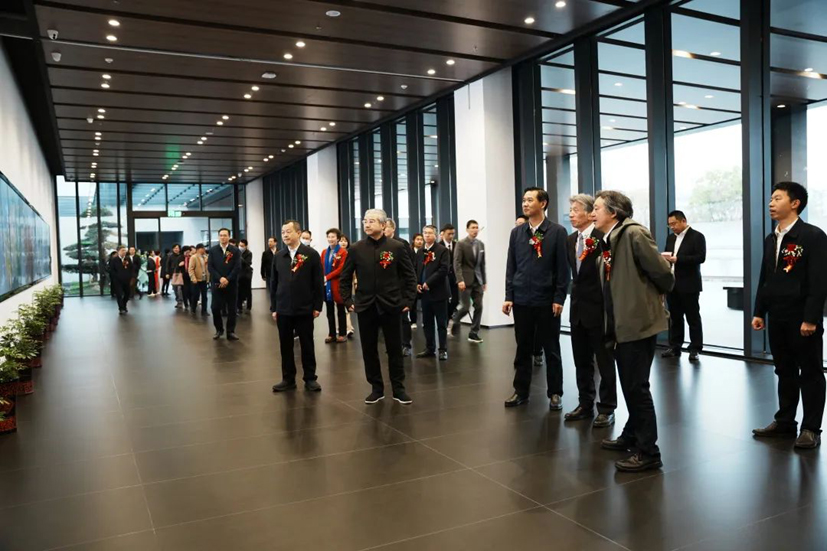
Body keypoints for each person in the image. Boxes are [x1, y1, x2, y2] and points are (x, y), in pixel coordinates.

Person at [592, 190, 674, 472]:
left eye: (597, 208)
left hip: (637, 323)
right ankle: (631, 434)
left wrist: (651, 300)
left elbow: (662, 272)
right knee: (630, 384)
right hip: (621, 324)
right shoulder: (609, 239)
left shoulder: (634, 234)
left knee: (637, 387)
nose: (592, 213)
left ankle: (649, 452)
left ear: (613, 212)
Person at [752, 182, 827, 449]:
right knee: (784, 370)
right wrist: (759, 311)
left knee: (810, 372)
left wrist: (811, 318)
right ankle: (785, 422)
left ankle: (810, 428)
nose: (771, 203)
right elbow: (766, 277)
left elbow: (819, 281)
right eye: (771, 199)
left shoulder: (812, 236)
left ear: (795, 204)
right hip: (777, 316)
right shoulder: (771, 238)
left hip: (802, 318)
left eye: (777, 198)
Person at [340, 209, 417, 405]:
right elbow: (345, 277)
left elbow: (410, 276)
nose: (367, 224)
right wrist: (348, 300)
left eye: (372, 221)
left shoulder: (396, 247)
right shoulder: (356, 249)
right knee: (368, 349)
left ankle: (398, 388)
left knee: (394, 348)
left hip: (391, 305)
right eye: (365, 221)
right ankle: (376, 388)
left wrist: (408, 301)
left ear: (383, 225)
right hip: (365, 305)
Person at [503, 187, 570, 410]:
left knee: (551, 348)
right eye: (524, 200)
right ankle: (521, 391)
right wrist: (509, 296)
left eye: (530, 200)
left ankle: (555, 392)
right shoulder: (517, 233)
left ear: (543, 203)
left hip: (546, 300)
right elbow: (511, 266)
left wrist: (559, 297)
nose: (525, 204)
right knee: (522, 348)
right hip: (522, 299)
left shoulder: (557, 232)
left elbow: (563, 269)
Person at [564, 195, 617, 428]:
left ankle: (607, 407)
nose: (571, 214)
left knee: (604, 361)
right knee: (581, 361)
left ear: (589, 213)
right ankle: (585, 403)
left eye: (576, 210)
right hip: (577, 309)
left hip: (599, 309)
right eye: (570, 210)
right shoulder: (570, 240)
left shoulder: (602, 237)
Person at [270, 220, 324, 392]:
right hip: (283, 307)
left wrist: (317, 305)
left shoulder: (311, 254)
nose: (285, 235)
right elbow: (274, 283)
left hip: (305, 307)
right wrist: (274, 307)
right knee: (285, 345)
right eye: (283, 232)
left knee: (307, 344)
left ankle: (310, 378)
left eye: (288, 231)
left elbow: (317, 281)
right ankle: (288, 379)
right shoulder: (279, 256)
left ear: (298, 233)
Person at [662, 210, 706, 362]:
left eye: (674, 224)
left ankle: (695, 348)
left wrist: (678, 259)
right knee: (675, 317)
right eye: (670, 225)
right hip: (672, 283)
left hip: (689, 283)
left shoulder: (697, 236)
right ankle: (675, 346)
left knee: (693, 317)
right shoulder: (670, 238)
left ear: (683, 221)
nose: (672, 227)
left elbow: (700, 257)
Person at [415, 225, 451, 360]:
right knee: (427, 322)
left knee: (441, 323)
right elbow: (416, 269)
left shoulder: (442, 250)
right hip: (425, 294)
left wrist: (428, 282)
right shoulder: (420, 251)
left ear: (435, 235)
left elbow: (444, 270)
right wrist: (417, 283)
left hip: (439, 292)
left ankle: (443, 349)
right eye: (425, 233)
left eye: (430, 233)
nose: (427, 235)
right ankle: (430, 348)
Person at [384, 219, 416, 356]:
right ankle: (393, 344)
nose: (384, 230)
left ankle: (406, 345)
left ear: (393, 229)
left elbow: (409, 266)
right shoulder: (381, 244)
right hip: (386, 287)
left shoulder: (401, 244)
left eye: (386, 227)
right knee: (388, 319)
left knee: (403, 317)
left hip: (401, 286)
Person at [452, 220, 486, 343]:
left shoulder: (481, 244)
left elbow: (482, 264)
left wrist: (484, 281)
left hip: (478, 280)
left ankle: (473, 333)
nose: (475, 230)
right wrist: (460, 279)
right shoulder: (461, 244)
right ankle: (455, 319)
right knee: (466, 307)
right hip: (465, 280)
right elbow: (457, 263)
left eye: (477, 227)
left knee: (479, 306)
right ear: (467, 229)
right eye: (473, 227)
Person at [208, 229, 241, 340]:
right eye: (221, 235)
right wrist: (220, 278)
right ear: (218, 237)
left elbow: (237, 267)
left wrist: (227, 279)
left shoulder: (235, 251)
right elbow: (210, 267)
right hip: (217, 284)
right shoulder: (213, 250)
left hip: (231, 284)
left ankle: (230, 331)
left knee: (232, 309)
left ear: (229, 236)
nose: (223, 237)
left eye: (225, 235)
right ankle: (219, 329)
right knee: (215, 308)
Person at [322, 228, 348, 343]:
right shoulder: (324, 252)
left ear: (338, 238)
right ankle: (331, 334)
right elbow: (321, 266)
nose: (330, 239)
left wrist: (327, 277)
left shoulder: (343, 252)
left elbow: (341, 269)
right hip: (326, 285)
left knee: (341, 310)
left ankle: (342, 333)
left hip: (338, 284)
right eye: (329, 237)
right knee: (329, 311)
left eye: (333, 237)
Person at [439, 224, 459, 328]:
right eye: (449, 234)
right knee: (445, 301)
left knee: (456, 300)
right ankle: (445, 322)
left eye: (453, 234)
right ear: (443, 234)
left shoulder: (457, 245)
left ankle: (450, 316)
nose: (451, 236)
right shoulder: (439, 246)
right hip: (443, 278)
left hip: (455, 278)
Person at [339, 234, 355, 338]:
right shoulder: (334, 253)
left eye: (345, 241)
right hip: (337, 282)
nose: (343, 243)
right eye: (341, 241)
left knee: (347, 305)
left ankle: (349, 328)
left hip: (349, 282)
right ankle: (341, 328)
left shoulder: (351, 253)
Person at [109, 246, 133, 314]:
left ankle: (124, 304)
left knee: (127, 293)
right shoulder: (114, 260)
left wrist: (130, 276)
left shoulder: (127, 259)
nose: (124, 252)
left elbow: (131, 268)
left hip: (126, 279)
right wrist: (116, 277)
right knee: (119, 294)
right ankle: (121, 308)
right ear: (118, 251)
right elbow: (111, 270)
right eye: (122, 250)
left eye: (125, 250)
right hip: (118, 281)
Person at [188, 243, 210, 316]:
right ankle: (193, 309)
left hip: (204, 279)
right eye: (203, 248)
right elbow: (190, 269)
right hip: (196, 280)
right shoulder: (193, 257)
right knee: (196, 295)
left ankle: (204, 311)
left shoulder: (205, 257)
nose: (204, 250)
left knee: (204, 296)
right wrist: (193, 278)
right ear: (199, 249)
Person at [410, 233, 425, 328]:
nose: (419, 241)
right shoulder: (409, 251)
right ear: (413, 240)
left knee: (424, 302)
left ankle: (425, 321)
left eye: (421, 239)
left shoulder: (425, 252)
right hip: (412, 280)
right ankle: (413, 321)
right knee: (413, 302)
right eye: (417, 239)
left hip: (422, 279)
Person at [237, 239, 254, 313]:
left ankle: (248, 307)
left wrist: (240, 258)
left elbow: (248, 263)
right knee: (239, 291)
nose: (240, 247)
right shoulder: (236, 252)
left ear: (246, 246)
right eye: (239, 245)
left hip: (246, 275)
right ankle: (239, 307)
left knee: (248, 291)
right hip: (238, 274)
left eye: (242, 246)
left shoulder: (249, 253)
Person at [181, 246, 193, 311]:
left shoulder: (192, 257)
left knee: (191, 290)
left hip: (191, 275)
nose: (188, 253)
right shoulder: (181, 257)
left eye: (189, 251)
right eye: (186, 252)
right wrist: (179, 265)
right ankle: (185, 303)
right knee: (184, 290)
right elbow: (176, 266)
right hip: (183, 276)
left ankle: (191, 303)